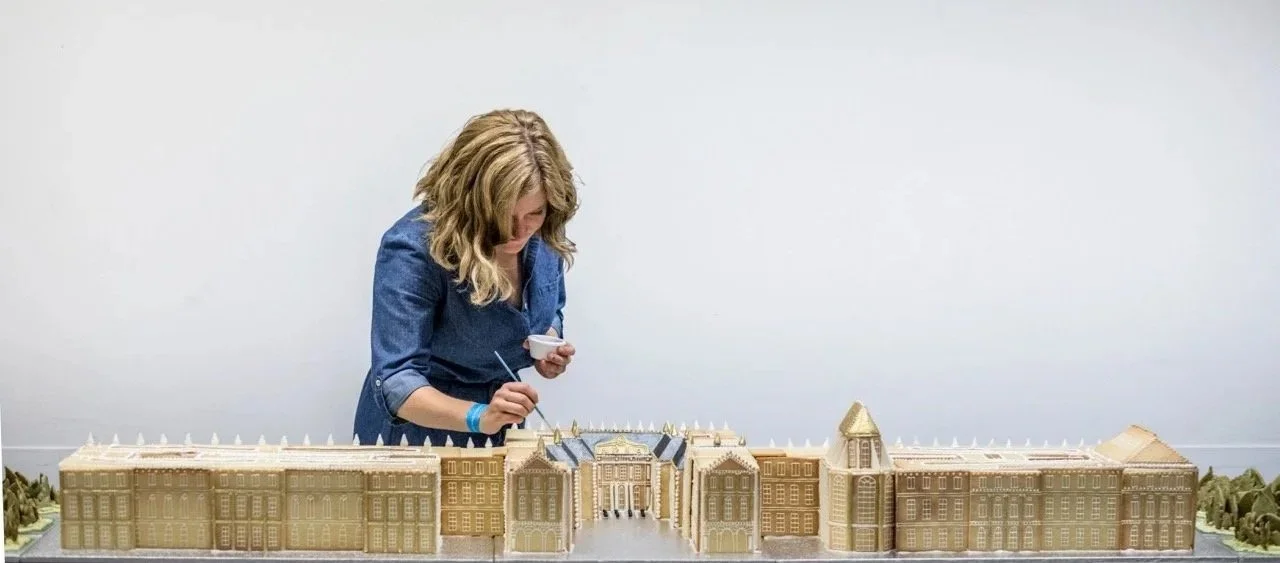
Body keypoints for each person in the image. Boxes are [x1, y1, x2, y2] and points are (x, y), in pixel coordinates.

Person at [352, 109, 579, 447]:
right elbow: (397, 382)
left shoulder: (542, 237)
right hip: (416, 435)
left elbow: (550, 310)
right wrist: (479, 417)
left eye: (535, 212)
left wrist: (547, 344)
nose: (520, 230)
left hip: (501, 429)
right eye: (504, 215)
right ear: (471, 201)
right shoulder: (413, 248)